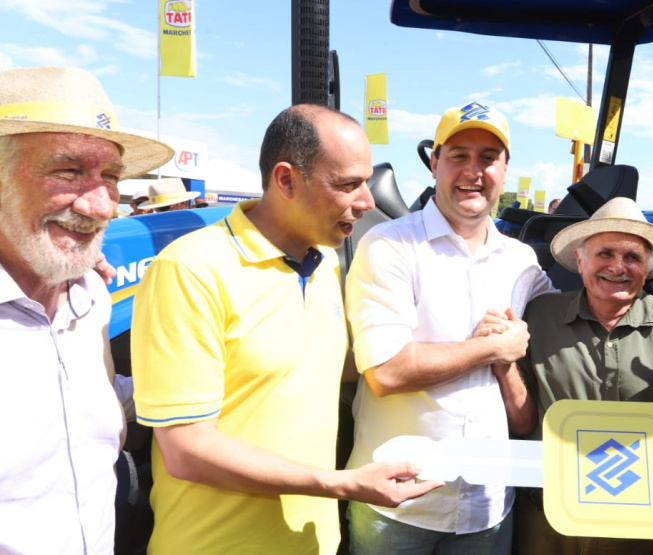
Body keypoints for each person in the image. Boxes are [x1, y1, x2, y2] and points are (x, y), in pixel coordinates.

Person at [130, 104, 441, 555]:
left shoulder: (323, 264)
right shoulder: (190, 269)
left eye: (366, 182)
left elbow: (309, 370)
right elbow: (186, 449)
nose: (368, 202)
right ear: (286, 180)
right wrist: (340, 485)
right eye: (347, 184)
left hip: (314, 542)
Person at [344, 101, 555, 554]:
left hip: (488, 507)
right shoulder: (390, 246)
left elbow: (569, 325)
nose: (473, 171)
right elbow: (386, 372)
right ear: (435, 162)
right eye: (459, 155)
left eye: (487, 157)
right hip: (397, 505)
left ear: (505, 168)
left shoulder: (523, 263)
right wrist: (492, 349)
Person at [0, 65, 173, 554]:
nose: (100, 206)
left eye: (112, 177)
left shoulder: (90, 295)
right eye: (68, 170)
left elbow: (90, 400)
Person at [505, 197, 653, 555]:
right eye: (605, 253)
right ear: (580, 261)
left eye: (633, 257)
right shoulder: (538, 317)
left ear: (647, 267)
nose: (618, 266)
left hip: (645, 523)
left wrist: (634, 458)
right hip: (548, 519)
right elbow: (521, 420)